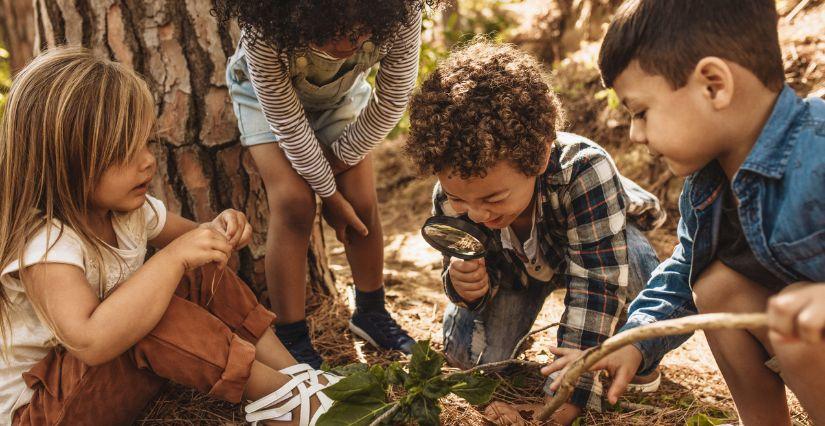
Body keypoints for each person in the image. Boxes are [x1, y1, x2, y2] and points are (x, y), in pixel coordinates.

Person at [0, 48, 339, 426]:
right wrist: (172, 258)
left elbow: (201, 244)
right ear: (62, 161)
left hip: (98, 386)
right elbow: (91, 341)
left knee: (196, 269)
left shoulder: (130, 212)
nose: (147, 161)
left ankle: (294, 377)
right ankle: (281, 402)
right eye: (122, 152)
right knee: (154, 309)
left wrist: (221, 229)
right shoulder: (46, 244)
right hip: (42, 412)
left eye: (145, 143)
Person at [545, 1, 825, 424]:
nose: (636, 134)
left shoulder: (817, 146)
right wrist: (634, 341)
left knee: (797, 318)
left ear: (713, 85)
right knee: (714, 286)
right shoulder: (706, 187)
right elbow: (683, 272)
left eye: (641, 112)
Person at [403, 40, 667, 425]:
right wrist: (464, 286)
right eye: (462, 199)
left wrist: (569, 392)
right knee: (467, 358)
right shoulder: (453, 194)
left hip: (592, 251)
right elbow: (459, 267)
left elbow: (597, 282)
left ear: (540, 156)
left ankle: (639, 356)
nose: (476, 213)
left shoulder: (585, 170)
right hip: (517, 275)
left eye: (494, 197)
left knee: (639, 265)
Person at [212, 0, 449, 367]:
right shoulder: (265, 32)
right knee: (294, 202)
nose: (345, 46)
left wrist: (337, 174)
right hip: (266, 103)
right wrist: (328, 195)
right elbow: (289, 126)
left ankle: (371, 312)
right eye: (331, 33)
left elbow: (392, 100)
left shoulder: (401, 11)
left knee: (361, 199)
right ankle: (292, 337)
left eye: (358, 33)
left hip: (340, 98)